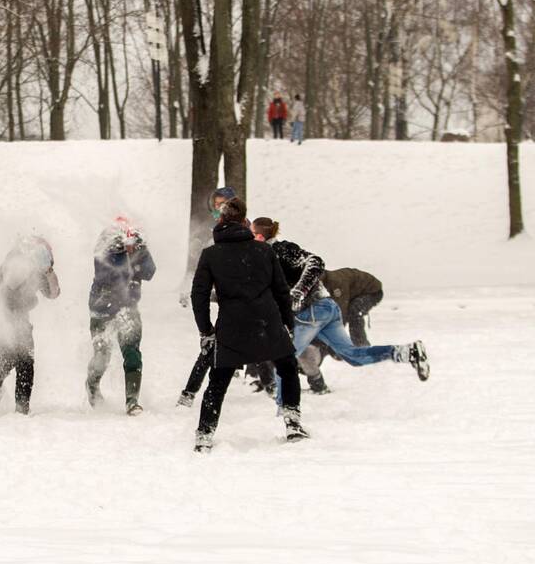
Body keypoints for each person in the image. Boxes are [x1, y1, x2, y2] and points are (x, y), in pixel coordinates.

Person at [250, 218, 430, 401]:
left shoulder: (280, 249)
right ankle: (408, 352)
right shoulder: (264, 258)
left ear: (259, 236)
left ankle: (288, 415)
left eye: (250, 234)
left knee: (284, 359)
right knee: (353, 356)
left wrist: (299, 292)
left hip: (314, 311)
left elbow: (316, 262)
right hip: (326, 309)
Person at [190, 198, 306, 452]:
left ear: (221, 221)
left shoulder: (211, 255)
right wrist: (287, 324)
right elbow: (281, 291)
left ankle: (204, 434)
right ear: (245, 222)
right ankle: (293, 422)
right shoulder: (264, 251)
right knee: (287, 368)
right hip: (267, 321)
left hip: (232, 326)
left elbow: (198, 294)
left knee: (218, 382)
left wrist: (205, 330)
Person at [0, 236, 61, 415]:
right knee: (10, 357)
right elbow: (10, 284)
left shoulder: (39, 269)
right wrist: (29, 263)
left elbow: (54, 293)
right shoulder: (13, 262)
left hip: (20, 319)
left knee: (26, 360)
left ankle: (22, 407)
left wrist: (48, 271)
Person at [86, 217, 156, 416]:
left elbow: (150, 272)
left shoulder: (139, 247)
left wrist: (139, 253)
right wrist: (122, 252)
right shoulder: (104, 249)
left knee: (132, 352)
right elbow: (106, 274)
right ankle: (92, 386)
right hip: (102, 308)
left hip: (128, 307)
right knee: (102, 354)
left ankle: (132, 401)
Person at [177, 187, 237, 407]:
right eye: (216, 202)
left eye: (224, 203)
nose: (219, 207)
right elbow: (198, 265)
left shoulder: (242, 227)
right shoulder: (208, 229)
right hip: (224, 295)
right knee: (211, 347)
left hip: (242, 295)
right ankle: (189, 392)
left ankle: (272, 387)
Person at [299, 268, 385, 393]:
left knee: (355, 311)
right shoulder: (316, 287)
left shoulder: (336, 284)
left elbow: (340, 314)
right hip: (353, 293)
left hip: (373, 291)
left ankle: (361, 346)